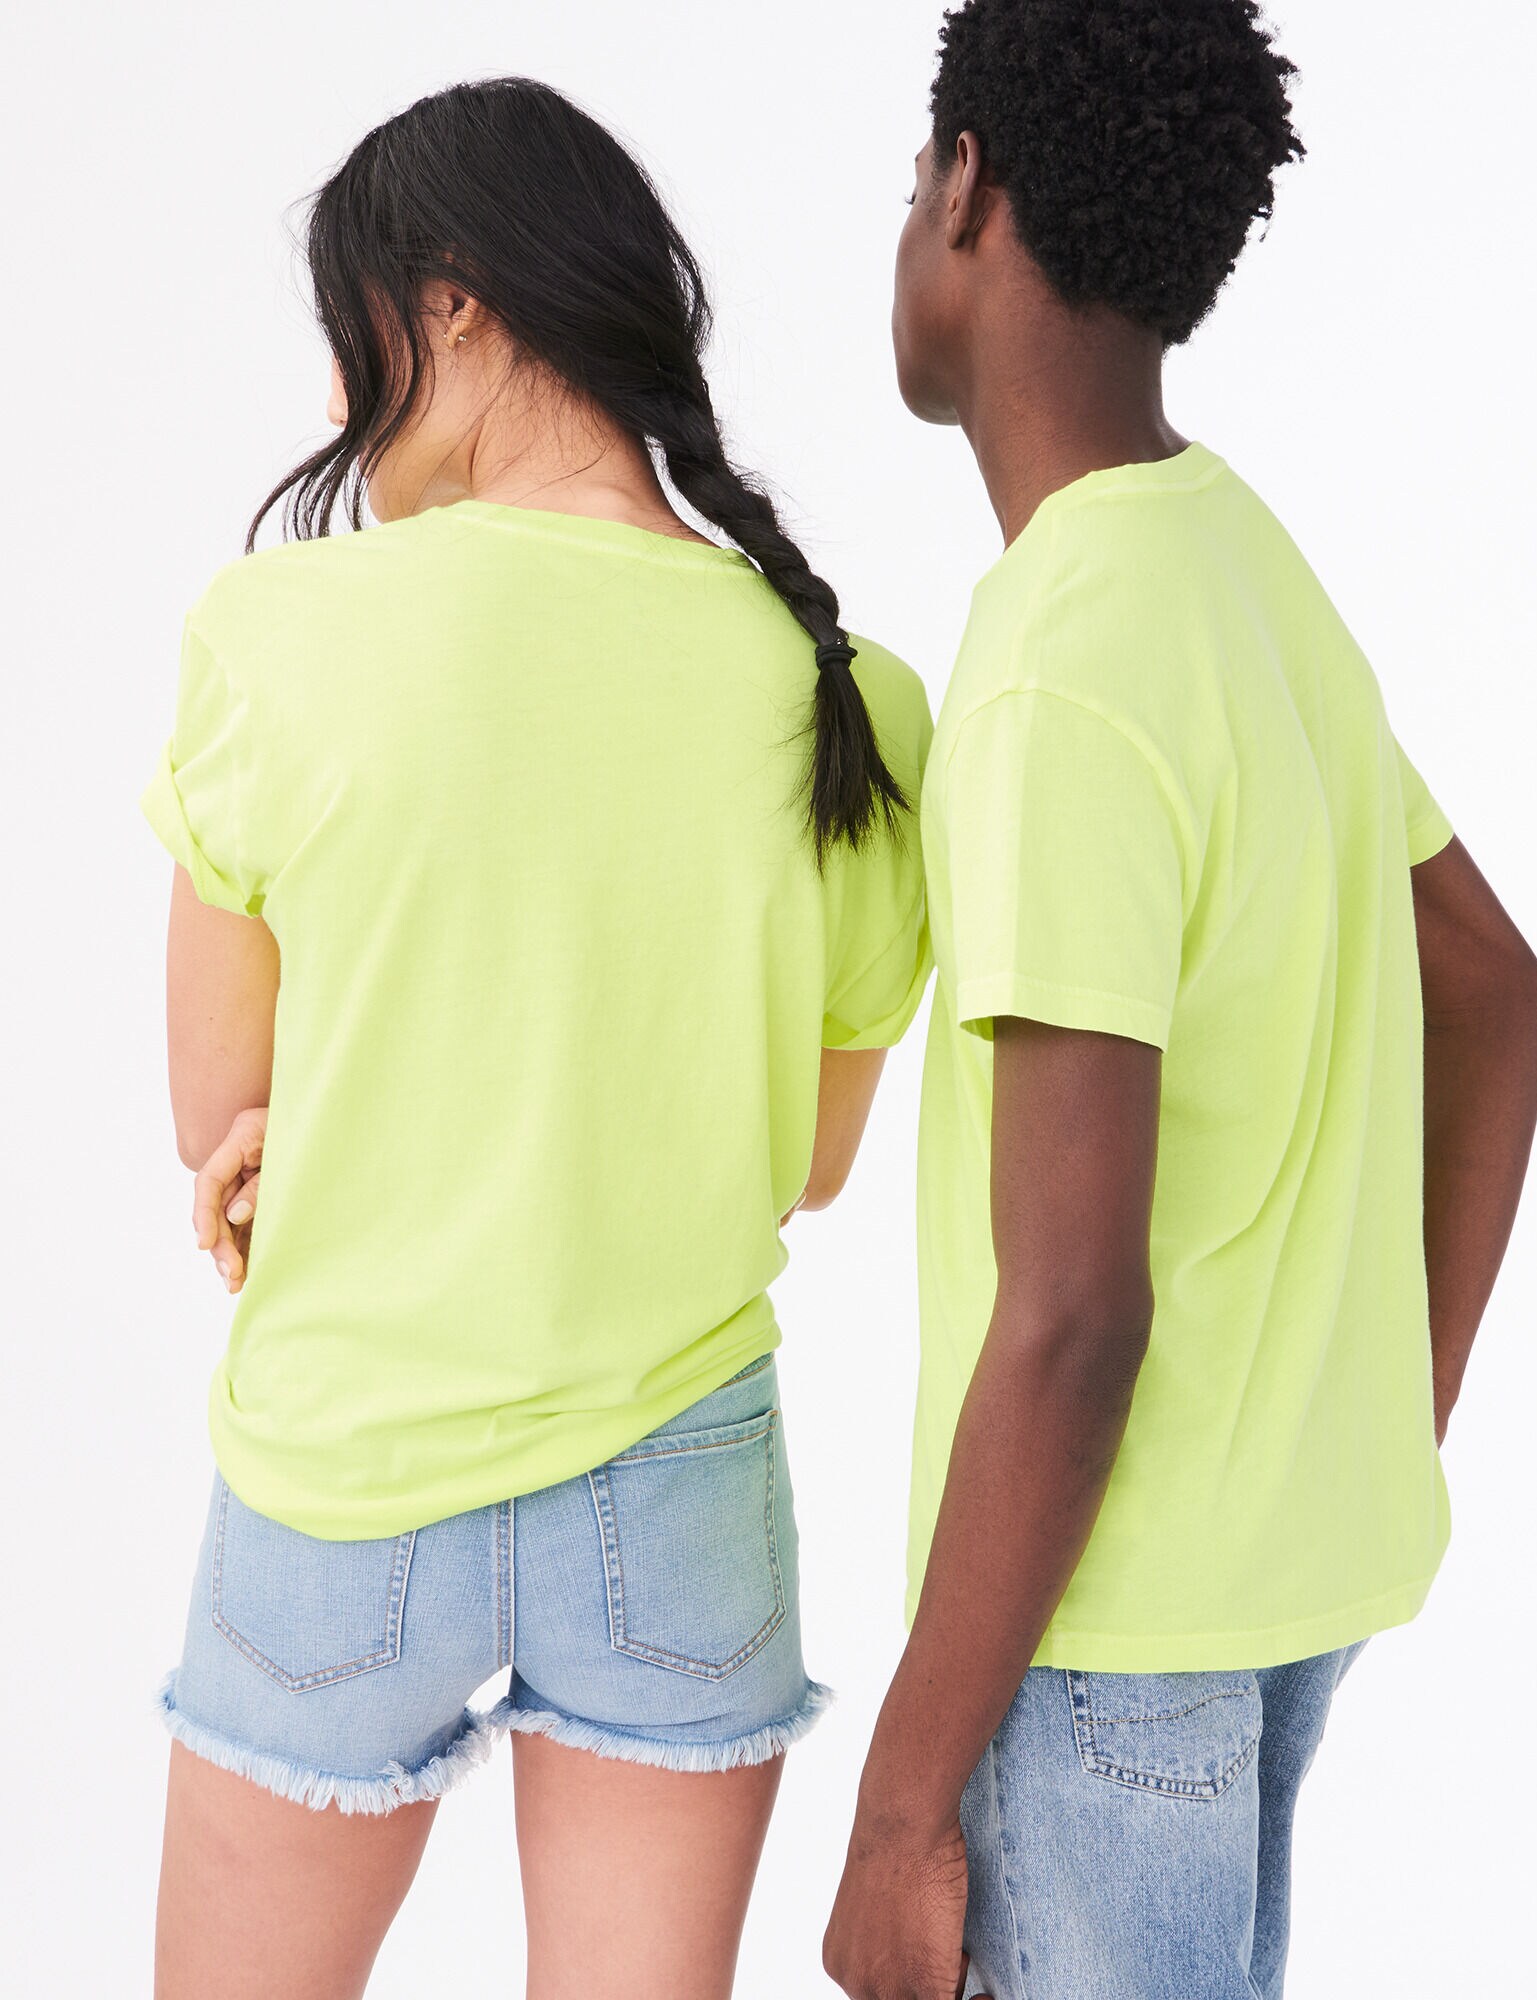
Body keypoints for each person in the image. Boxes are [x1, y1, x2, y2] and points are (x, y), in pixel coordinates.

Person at [141, 77, 930, 2000]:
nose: (343, 399)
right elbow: (806, 1162)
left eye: (354, 332)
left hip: (346, 1472)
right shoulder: (850, 694)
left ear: (456, 301)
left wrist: (342, 1133)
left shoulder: (278, 630)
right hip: (682, 1492)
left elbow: (220, 1112)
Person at [823, 5, 1537, 1997]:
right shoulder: (1238, 561)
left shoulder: (1061, 666)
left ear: (966, 188)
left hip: (1103, 1637)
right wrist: (1376, 1409)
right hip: (1277, 1590)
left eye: (912, 176)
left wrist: (897, 1813)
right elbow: (1499, 994)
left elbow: (1075, 1312)